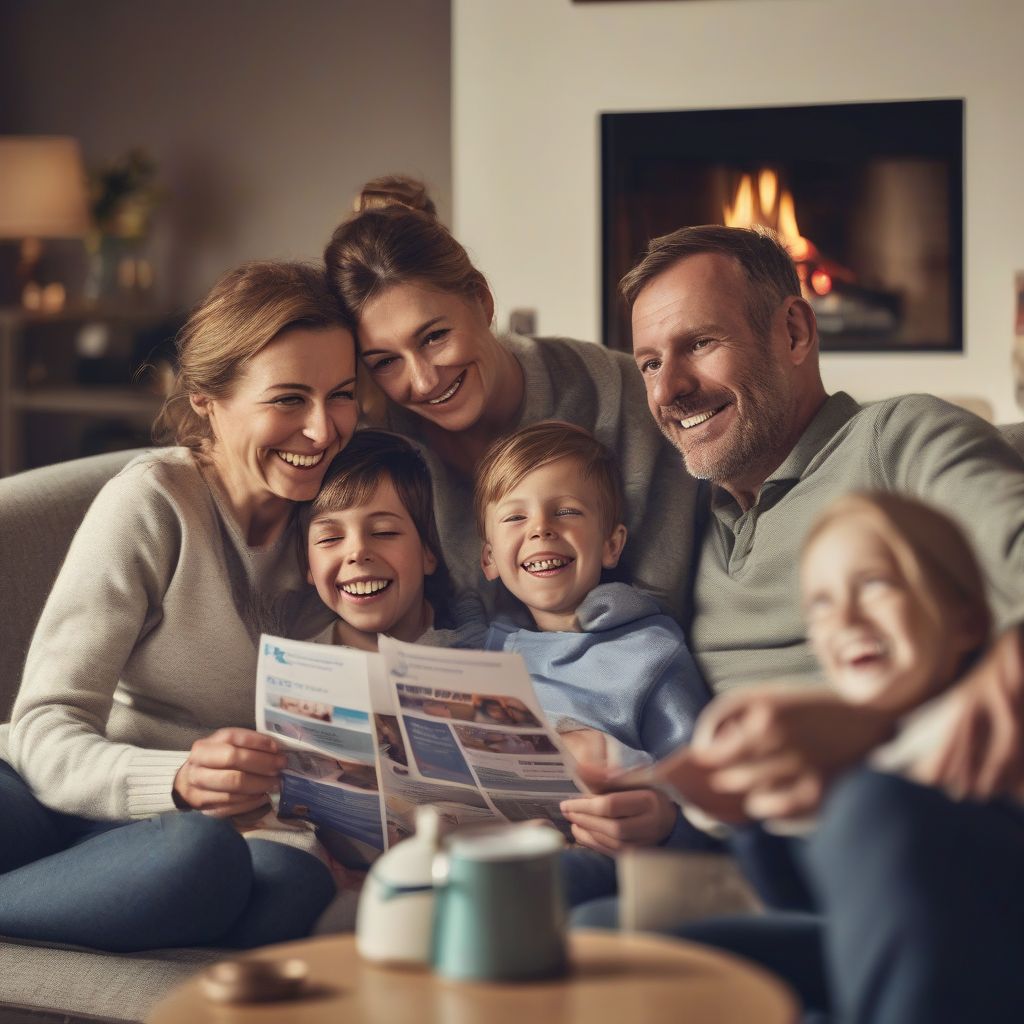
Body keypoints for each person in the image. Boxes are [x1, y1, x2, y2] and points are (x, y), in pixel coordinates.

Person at [614, 224, 1024, 1021]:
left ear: (795, 330)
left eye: (698, 344)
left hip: (919, 831)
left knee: (872, 810)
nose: (671, 390)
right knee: (589, 933)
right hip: (767, 861)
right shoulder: (677, 512)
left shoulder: (896, 439)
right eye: (650, 364)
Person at [0, 261, 358, 952]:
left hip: (181, 835)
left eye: (341, 395)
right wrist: (180, 778)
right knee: (200, 854)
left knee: (289, 884)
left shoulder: (344, 524)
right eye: (288, 399)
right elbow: (45, 726)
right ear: (206, 401)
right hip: (46, 790)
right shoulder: (155, 502)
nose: (321, 430)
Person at [323, 175, 696, 624]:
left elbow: (662, 600)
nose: (422, 382)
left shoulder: (619, 396)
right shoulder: (374, 443)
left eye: (435, 337)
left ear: (481, 300)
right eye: (385, 362)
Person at [474, 420, 715, 904]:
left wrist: (666, 823)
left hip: (590, 858)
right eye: (515, 518)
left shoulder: (649, 650)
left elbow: (701, 789)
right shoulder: (474, 651)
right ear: (490, 559)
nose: (541, 528)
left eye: (566, 511)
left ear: (611, 544)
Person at [303, 428, 485, 651]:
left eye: (384, 532)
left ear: (428, 551)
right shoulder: (291, 669)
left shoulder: (486, 646)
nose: (357, 552)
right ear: (308, 564)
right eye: (330, 538)